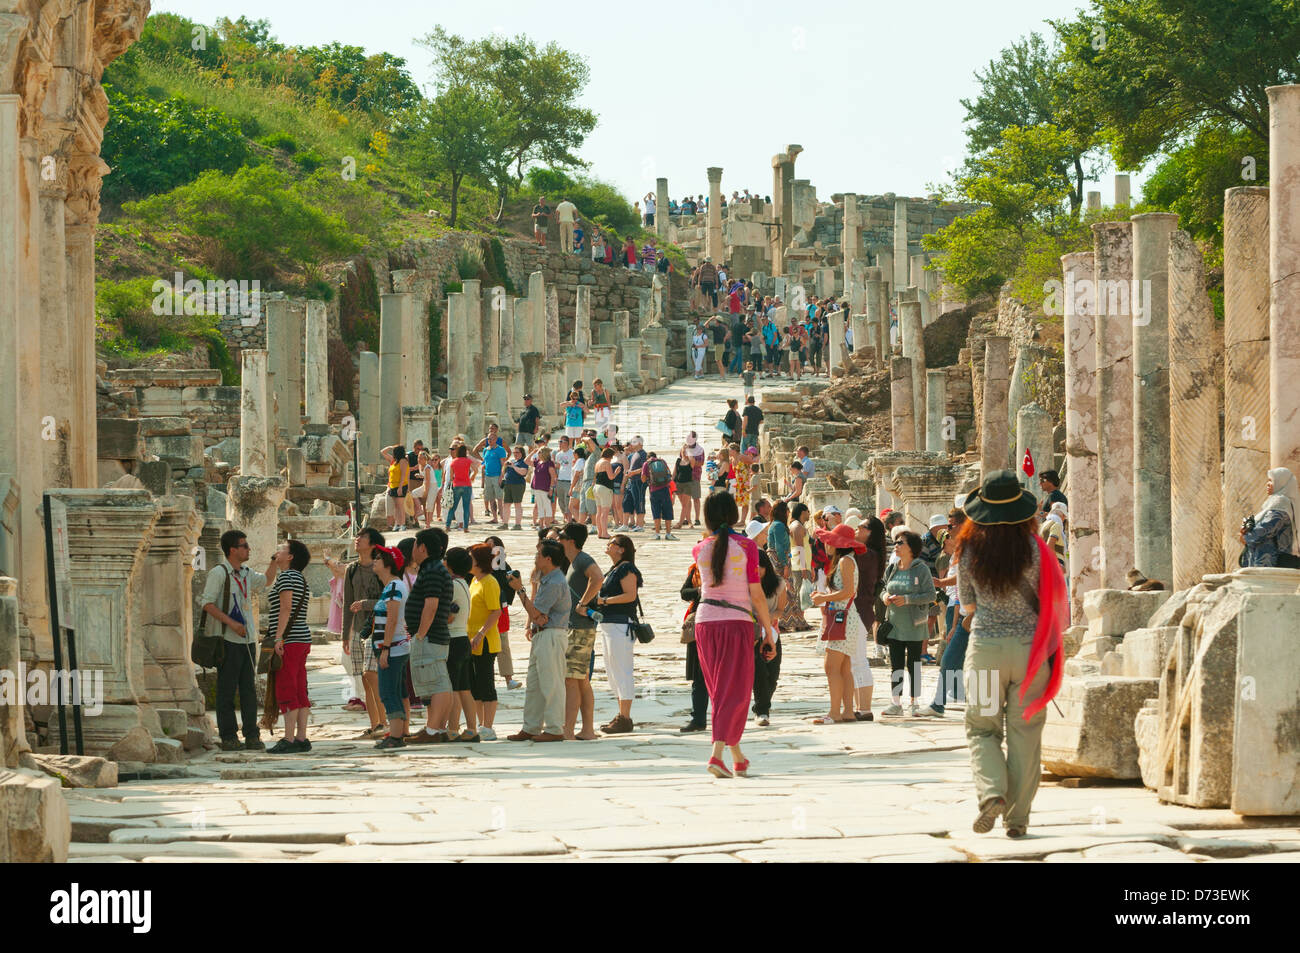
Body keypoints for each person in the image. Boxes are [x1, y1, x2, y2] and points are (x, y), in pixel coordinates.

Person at [956, 469, 1067, 837]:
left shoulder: (969, 550)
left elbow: (967, 606)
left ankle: (991, 795)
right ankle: (1017, 819)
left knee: (983, 729)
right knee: (1025, 734)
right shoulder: (1037, 548)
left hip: (986, 651)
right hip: (1029, 654)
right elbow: (1052, 600)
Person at [692, 492, 778, 777]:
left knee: (720, 689)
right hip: (736, 622)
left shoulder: (700, 548)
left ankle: (737, 755)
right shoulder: (747, 547)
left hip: (705, 622)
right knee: (737, 690)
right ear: (733, 514)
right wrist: (768, 631)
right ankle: (716, 754)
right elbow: (757, 594)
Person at [202, 529, 281, 751]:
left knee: (248, 689)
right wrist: (231, 623)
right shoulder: (219, 573)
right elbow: (207, 604)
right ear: (232, 550)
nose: (248, 549)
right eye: (244, 545)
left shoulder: (246, 573)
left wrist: (274, 562)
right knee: (226, 690)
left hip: (247, 641)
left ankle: (252, 734)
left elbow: (265, 581)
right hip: (227, 639)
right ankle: (228, 735)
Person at [506, 540, 571, 742]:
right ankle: (531, 726)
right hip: (542, 633)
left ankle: (554, 728)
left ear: (548, 559)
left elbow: (537, 614)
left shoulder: (555, 582)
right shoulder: (548, 579)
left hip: (551, 634)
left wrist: (520, 590)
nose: (535, 558)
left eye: (538, 555)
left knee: (552, 683)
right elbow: (538, 616)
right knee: (534, 684)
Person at [403, 528, 456, 744]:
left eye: (415, 545)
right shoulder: (431, 568)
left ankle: (434, 730)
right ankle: (435, 728)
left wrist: (421, 635)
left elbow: (431, 604)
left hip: (430, 636)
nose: (412, 550)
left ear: (422, 548)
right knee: (433, 684)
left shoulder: (433, 570)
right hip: (430, 636)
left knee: (439, 683)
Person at [810, 524, 866, 724]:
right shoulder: (847, 560)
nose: (826, 544)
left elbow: (848, 591)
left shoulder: (845, 561)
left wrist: (822, 598)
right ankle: (847, 711)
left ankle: (835, 712)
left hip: (843, 618)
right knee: (844, 667)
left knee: (831, 666)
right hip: (846, 617)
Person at [336, 528, 386, 734]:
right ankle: (374, 724)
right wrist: (344, 634)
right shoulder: (352, 569)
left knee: (372, 675)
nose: (357, 539)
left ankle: (384, 721)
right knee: (363, 679)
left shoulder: (381, 567)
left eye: (362, 537)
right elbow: (348, 601)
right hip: (358, 629)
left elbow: (388, 599)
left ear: (373, 544)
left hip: (378, 627)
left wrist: (366, 604)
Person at [880, 530, 934, 716]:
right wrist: (885, 596)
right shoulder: (892, 568)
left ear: (911, 547)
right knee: (896, 664)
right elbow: (883, 588)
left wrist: (908, 599)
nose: (896, 545)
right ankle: (896, 702)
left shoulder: (921, 569)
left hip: (914, 625)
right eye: (896, 542)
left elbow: (931, 595)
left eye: (900, 542)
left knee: (914, 664)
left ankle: (914, 701)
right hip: (894, 624)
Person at [593, 534, 643, 734]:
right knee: (612, 671)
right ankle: (621, 714)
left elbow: (630, 595)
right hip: (608, 624)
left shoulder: (627, 568)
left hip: (621, 624)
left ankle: (626, 717)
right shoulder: (614, 569)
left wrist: (604, 601)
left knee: (622, 670)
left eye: (612, 543)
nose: (608, 545)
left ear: (621, 549)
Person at [267, 539, 312, 753]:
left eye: (282, 549)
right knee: (300, 686)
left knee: (286, 686)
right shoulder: (300, 577)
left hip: (289, 639)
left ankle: (289, 738)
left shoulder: (286, 576)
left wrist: (278, 638)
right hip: (302, 637)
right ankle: (301, 737)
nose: (277, 551)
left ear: (291, 556)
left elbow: (285, 608)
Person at [559, 523, 602, 740]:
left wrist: (584, 602)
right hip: (578, 627)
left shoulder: (583, 559)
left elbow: (598, 577)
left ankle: (568, 729)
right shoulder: (574, 562)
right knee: (581, 679)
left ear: (571, 540)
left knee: (571, 679)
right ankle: (587, 730)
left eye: (562, 536)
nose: (558, 539)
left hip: (580, 628)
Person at [366, 545, 411, 749]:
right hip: (394, 647)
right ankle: (397, 732)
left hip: (392, 648)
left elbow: (392, 620)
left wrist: (385, 649)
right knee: (395, 690)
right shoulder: (392, 586)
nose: (374, 560)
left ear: (389, 563)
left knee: (387, 692)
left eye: (379, 557)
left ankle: (394, 736)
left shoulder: (394, 587)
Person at [442, 546, 480, 742]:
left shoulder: (452, 585)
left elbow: (448, 616)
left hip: (453, 639)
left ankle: (453, 728)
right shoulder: (464, 582)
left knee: (453, 687)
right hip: (463, 638)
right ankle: (472, 728)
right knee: (465, 688)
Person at [466, 543, 504, 740]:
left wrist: (481, 633)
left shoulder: (489, 582)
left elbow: (495, 611)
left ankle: (488, 725)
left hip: (486, 640)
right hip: (470, 639)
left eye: (470, 558)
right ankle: (480, 724)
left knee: (486, 683)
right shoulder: (473, 580)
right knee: (474, 686)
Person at [849, 515, 885, 720]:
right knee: (854, 660)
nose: (857, 529)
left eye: (861, 527)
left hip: (860, 610)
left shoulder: (868, 554)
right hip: (858, 610)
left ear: (870, 532)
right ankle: (858, 706)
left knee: (859, 660)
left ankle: (865, 708)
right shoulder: (868, 553)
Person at [751, 549, 785, 727]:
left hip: (772, 630)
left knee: (773, 673)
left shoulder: (778, 583)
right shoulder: (745, 584)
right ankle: (762, 709)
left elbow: (780, 608)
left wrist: (771, 618)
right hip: (752, 631)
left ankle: (762, 705)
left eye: (760, 568)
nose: (757, 571)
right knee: (759, 671)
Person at [1240, 467, 1300, 567]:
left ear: (1281, 482)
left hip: (1271, 561)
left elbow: (1267, 528)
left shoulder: (1281, 502)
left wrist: (1247, 537)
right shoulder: (1275, 502)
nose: (1267, 484)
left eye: (1271, 481)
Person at [475, 426, 509, 527]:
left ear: (496, 439)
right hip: (488, 476)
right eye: (488, 439)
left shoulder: (500, 450)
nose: (489, 440)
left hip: (496, 476)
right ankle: (494, 517)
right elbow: (485, 463)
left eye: (491, 439)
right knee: (490, 497)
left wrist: (501, 477)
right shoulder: (485, 450)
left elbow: (503, 464)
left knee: (499, 497)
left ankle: (502, 517)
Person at [444, 444, 478, 532]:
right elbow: (476, 470)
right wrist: (472, 477)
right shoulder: (468, 461)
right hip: (467, 485)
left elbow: (451, 477)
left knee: (453, 507)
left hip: (456, 485)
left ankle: (447, 526)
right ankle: (466, 528)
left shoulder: (454, 462)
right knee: (466, 507)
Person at [643, 451, 677, 540]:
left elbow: (643, 479)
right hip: (665, 489)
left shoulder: (646, 464)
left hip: (654, 491)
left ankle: (657, 534)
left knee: (656, 511)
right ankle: (668, 534)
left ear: (647, 457)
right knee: (667, 510)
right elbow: (668, 474)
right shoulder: (662, 461)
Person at [381, 444, 410, 529]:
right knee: (396, 507)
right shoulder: (394, 461)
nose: (392, 453)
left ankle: (403, 524)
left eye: (394, 451)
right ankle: (397, 524)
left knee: (400, 506)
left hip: (400, 486)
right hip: (393, 486)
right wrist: (390, 447)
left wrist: (400, 487)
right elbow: (382, 452)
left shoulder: (403, 461)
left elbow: (403, 475)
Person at [529, 445, 559, 528]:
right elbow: (526, 461)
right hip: (537, 487)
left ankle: (547, 525)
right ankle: (541, 524)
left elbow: (553, 477)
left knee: (547, 506)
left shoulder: (549, 463)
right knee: (540, 506)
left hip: (545, 488)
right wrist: (532, 452)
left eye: (539, 452)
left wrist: (551, 489)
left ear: (544, 453)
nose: (538, 454)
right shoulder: (538, 462)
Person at [623, 436, 647, 533]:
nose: (632, 444)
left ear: (640, 443)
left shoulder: (643, 454)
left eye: (635, 442)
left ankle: (640, 525)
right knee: (627, 502)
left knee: (639, 501)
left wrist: (632, 473)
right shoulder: (634, 454)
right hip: (631, 481)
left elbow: (644, 468)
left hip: (638, 481)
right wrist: (629, 472)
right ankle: (625, 524)